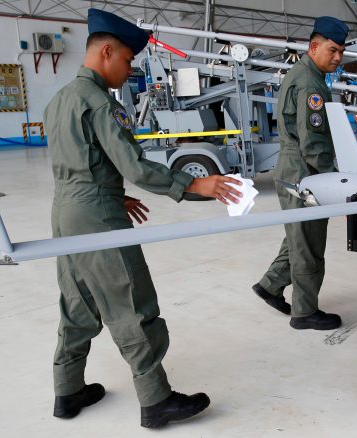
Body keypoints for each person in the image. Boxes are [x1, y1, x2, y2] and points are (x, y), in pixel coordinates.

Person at [44, 8, 242, 428]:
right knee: (130, 303)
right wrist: (195, 184)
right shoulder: (100, 102)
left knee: (78, 303)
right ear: (107, 51)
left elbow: (81, 163)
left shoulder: (60, 100)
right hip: (97, 218)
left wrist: (111, 194)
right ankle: (156, 401)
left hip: (66, 213)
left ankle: (67, 390)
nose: (130, 68)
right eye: (127, 59)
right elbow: (134, 165)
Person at [251, 16, 349, 330]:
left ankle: (270, 285)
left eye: (341, 52)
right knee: (308, 243)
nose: (338, 57)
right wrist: (337, 180)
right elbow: (313, 143)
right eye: (333, 50)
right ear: (314, 47)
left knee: (299, 235)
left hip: (295, 167)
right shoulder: (310, 83)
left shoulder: (306, 74)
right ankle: (304, 312)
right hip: (304, 172)